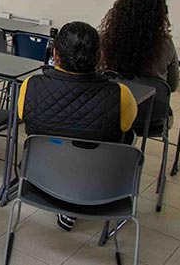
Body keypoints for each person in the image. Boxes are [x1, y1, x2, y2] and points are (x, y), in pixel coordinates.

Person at [17, 21, 137, 232]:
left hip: (41, 178)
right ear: (99, 56)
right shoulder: (120, 94)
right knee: (126, 138)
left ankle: (65, 202)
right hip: (100, 184)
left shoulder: (31, 85)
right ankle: (76, 202)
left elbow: (23, 116)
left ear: (56, 54)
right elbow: (127, 126)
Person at [99, 0, 180, 92]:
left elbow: (97, 74)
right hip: (153, 106)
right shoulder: (165, 44)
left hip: (116, 103)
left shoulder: (108, 39)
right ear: (161, 13)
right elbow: (173, 85)